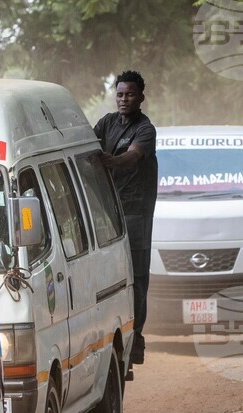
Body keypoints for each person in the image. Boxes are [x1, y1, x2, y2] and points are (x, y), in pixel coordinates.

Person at [94, 70, 157, 366]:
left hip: (135, 213)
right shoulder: (106, 123)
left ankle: (136, 341)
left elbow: (132, 157)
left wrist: (110, 162)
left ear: (141, 97)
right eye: (120, 94)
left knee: (137, 279)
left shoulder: (145, 129)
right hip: (109, 212)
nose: (124, 99)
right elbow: (84, 142)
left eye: (130, 94)